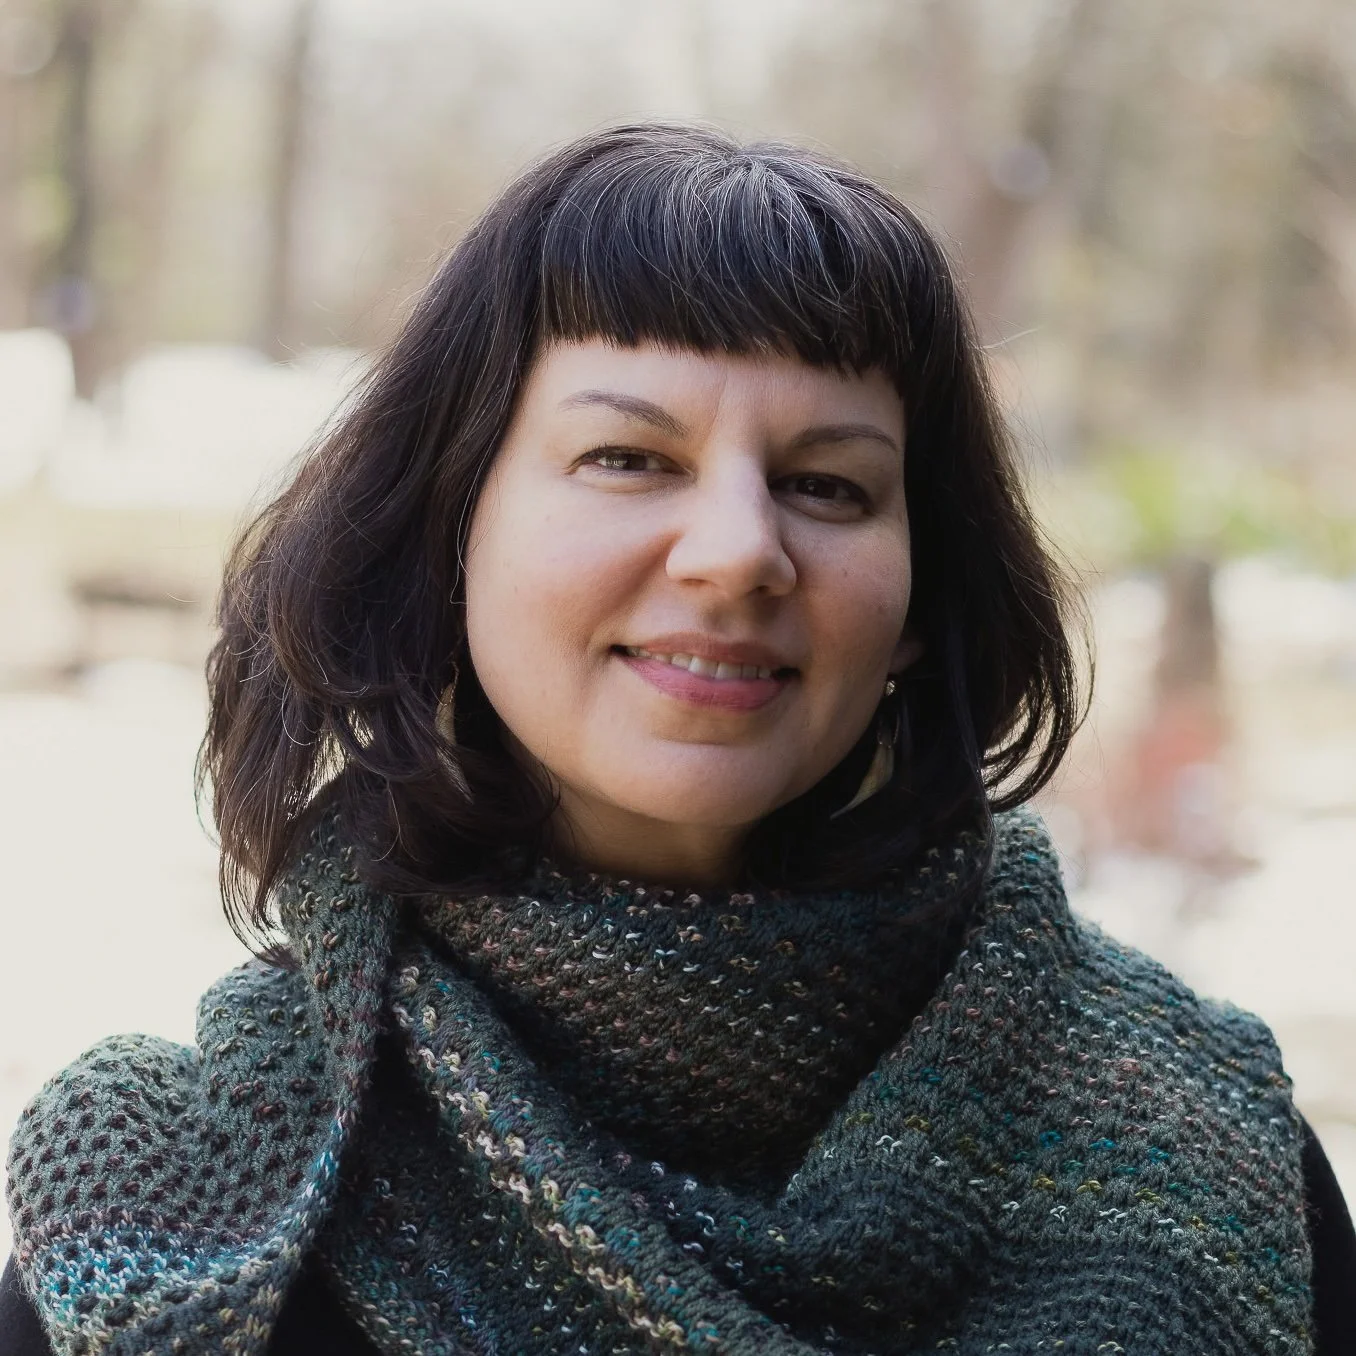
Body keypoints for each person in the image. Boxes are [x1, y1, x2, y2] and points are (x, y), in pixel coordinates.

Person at [3, 123, 1352, 1356]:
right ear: (450, 527)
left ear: (920, 605)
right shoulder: (184, 1231)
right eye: (630, 458)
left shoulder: (1212, 1160)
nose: (737, 554)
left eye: (828, 485)